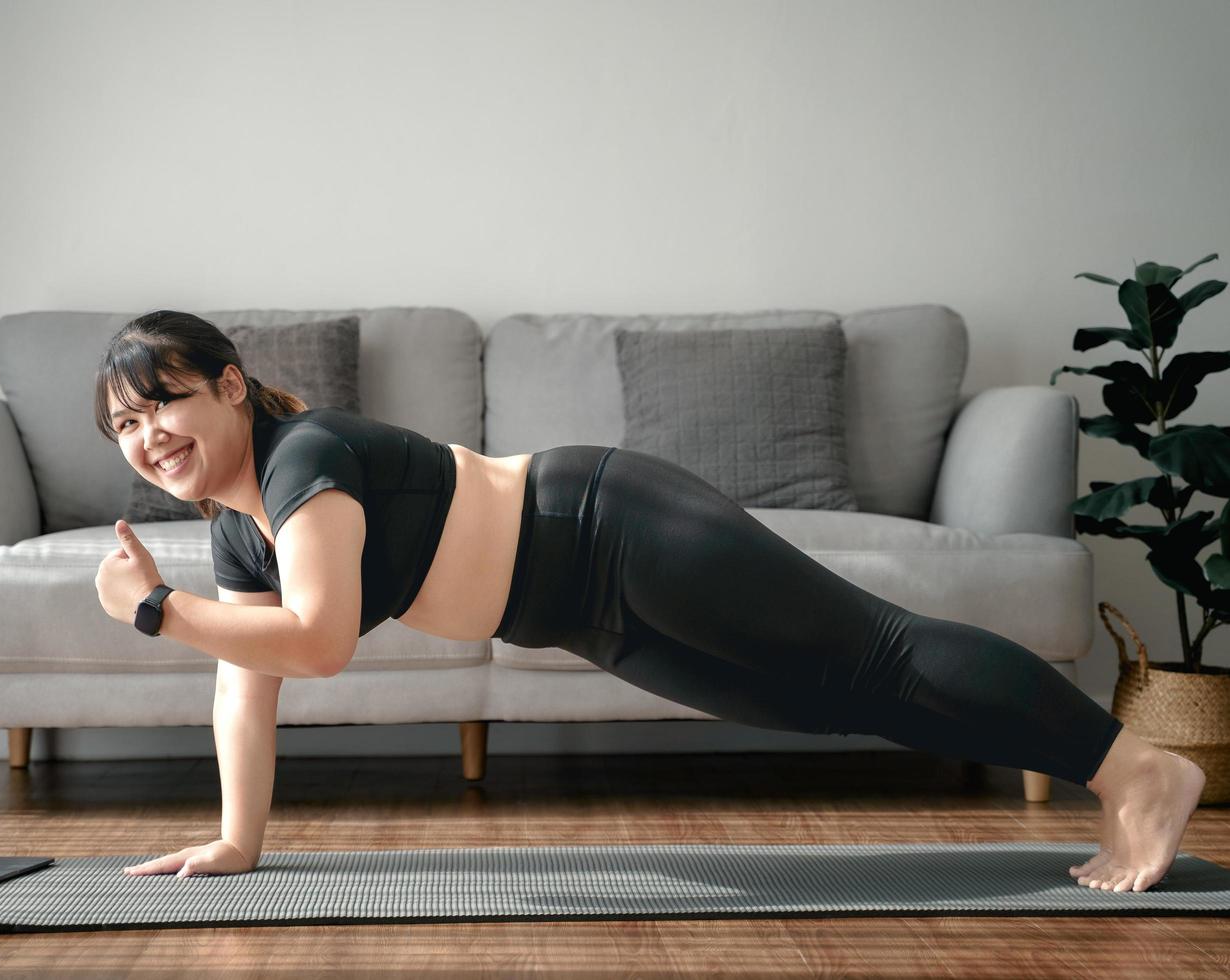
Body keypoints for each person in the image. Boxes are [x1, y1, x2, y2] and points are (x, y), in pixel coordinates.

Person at [92, 310, 1205, 894]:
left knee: (881, 651)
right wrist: (238, 841)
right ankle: (1111, 779)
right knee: (830, 700)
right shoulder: (239, 527)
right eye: (127, 428)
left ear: (230, 386)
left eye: (164, 405)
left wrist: (158, 610)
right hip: (586, 612)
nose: (150, 438)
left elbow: (318, 642)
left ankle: (1138, 770)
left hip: (613, 529)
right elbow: (253, 679)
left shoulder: (305, 458)